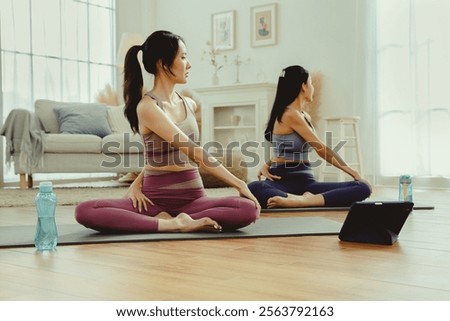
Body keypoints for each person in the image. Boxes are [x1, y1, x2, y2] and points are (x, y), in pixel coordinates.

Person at [75, 30, 260, 233]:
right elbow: (195, 152)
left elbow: (163, 153)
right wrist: (240, 184)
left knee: (247, 209)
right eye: (183, 57)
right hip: (152, 200)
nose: (188, 64)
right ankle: (172, 223)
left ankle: (174, 220)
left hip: (193, 198)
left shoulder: (189, 104)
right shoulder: (148, 107)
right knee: (85, 211)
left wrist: (137, 180)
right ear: (162, 63)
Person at [248, 65, 371, 209]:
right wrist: (354, 172)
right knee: (253, 188)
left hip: (306, 182)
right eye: (311, 83)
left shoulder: (304, 115)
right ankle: (303, 200)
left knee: (363, 188)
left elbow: (287, 149)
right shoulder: (290, 114)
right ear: (303, 86)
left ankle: (302, 200)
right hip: (282, 181)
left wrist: (267, 163)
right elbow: (321, 149)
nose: (313, 87)